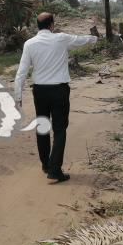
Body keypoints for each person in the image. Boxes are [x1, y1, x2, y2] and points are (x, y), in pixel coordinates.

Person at [14, 13, 98, 182]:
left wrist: (18, 96)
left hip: (40, 91)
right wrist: (95, 38)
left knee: (42, 126)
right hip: (59, 90)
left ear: (38, 26)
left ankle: (46, 164)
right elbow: (81, 40)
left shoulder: (29, 44)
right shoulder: (61, 38)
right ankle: (55, 169)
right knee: (59, 129)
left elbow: (21, 71)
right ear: (51, 25)